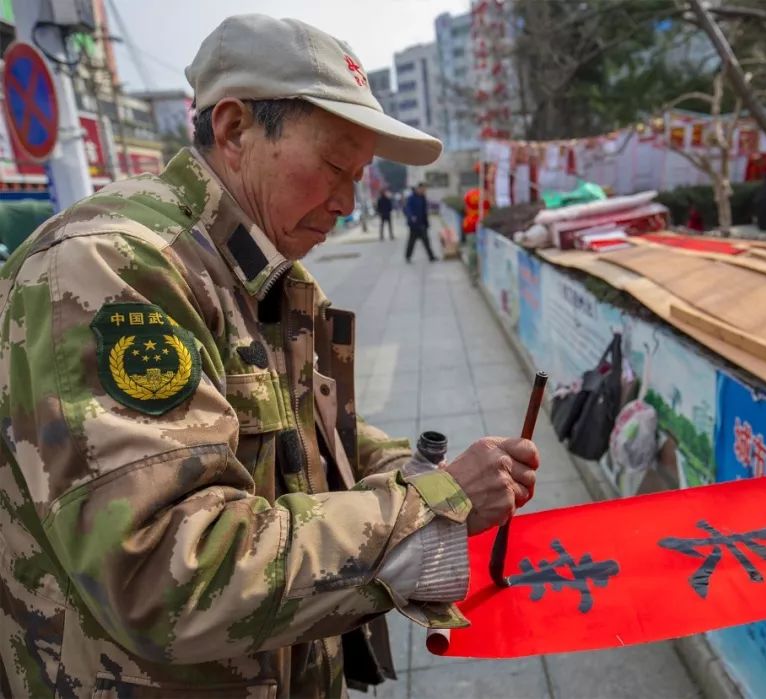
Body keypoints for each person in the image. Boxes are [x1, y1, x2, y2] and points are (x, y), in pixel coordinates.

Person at [0, 15, 540, 698]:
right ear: (233, 131)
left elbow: (299, 436)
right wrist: (432, 510)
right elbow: (165, 570)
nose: (347, 201)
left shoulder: (246, 265)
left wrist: (411, 469)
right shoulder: (114, 269)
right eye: (335, 167)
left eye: (361, 174)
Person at [405, 183, 437, 262]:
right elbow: (407, 208)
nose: (423, 191)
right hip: (414, 224)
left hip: (422, 223)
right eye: (422, 189)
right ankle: (408, 256)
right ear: (418, 189)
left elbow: (424, 210)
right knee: (411, 241)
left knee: (426, 241)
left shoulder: (423, 197)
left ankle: (431, 256)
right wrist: (411, 216)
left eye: (424, 189)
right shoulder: (411, 198)